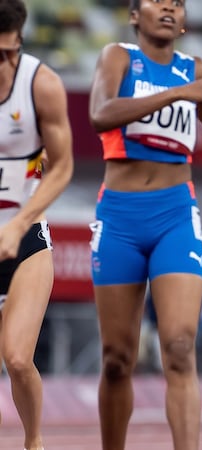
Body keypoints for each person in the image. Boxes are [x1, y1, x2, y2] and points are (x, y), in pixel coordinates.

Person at [87, 0, 202, 449]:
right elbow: (100, 114)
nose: (170, 9)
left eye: (178, 3)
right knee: (117, 358)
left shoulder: (192, 67)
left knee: (178, 347)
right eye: (159, 1)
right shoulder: (118, 57)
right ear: (135, 14)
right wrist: (177, 94)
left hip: (175, 214)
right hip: (119, 217)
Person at [0, 1, 75, 449]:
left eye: (12, 53)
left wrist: (19, 222)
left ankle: (33, 442)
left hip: (25, 236)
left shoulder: (42, 84)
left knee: (16, 358)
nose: (5, 65)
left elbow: (63, 167)